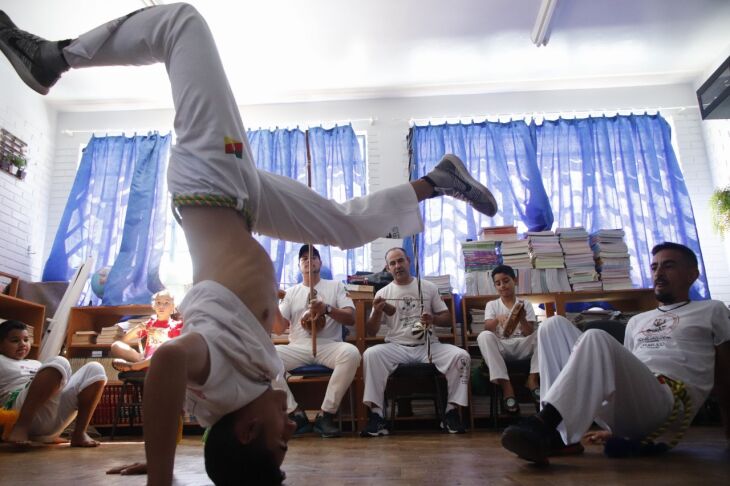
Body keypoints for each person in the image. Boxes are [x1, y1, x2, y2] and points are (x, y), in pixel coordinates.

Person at [0, 4, 498, 484]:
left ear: (247, 430)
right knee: (345, 227)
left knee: (180, 22)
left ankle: (53, 57)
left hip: (209, 183)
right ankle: (437, 181)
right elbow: (252, 327)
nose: (288, 432)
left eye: (278, 444)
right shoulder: (253, 383)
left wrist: (160, 471)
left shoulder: (215, 380)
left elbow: (169, 361)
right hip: (241, 199)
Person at [501, 242, 730, 465]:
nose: (659, 273)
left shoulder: (711, 310)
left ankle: (544, 424)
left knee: (595, 337)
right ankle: (560, 438)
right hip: (633, 401)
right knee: (552, 326)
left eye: (668, 266)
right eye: (654, 267)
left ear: (692, 274)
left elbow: (726, 372)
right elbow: (625, 371)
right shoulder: (638, 321)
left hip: (667, 400)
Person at [362, 247, 470, 436]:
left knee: (462, 356)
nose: (397, 266)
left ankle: (451, 412)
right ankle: (377, 416)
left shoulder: (428, 287)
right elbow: (371, 331)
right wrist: (377, 311)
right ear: (388, 268)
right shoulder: (383, 292)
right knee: (370, 354)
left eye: (400, 261)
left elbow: (446, 318)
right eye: (392, 263)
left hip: (428, 346)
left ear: (408, 262)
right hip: (396, 346)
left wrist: (433, 319)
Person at [272, 244, 360, 438]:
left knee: (351, 353)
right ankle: (294, 415)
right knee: (264, 357)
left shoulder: (336, 286)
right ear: (299, 266)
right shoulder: (291, 293)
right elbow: (278, 329)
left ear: (320, 262)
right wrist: (273, 303)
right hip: (299, 347)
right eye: (303, 258)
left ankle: (326, 416)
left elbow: (351, 318)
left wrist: (327, 309)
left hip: (329, 345)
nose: (308, 260)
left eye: (313, 256)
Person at [0, 319, 107, 447]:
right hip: (16, 410)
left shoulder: (35, 363)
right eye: (15, 340)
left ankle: (79, 433)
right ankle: (21, 427)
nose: (23, 344)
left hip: (48, 417)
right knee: (60, 361)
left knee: (95, 368)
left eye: (26, 340)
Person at [477, 264, 539, 414]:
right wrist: (497, 319)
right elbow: (488, 328)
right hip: (502, 348)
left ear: (514, 281)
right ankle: (506, 387)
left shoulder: (525, 304)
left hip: (523, 345)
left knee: (543, 332)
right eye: (498, 283)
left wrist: (522, 319)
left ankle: (532, 378)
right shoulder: (492, 305)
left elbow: (529, 332)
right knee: (483, 336)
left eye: (506, 281)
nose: (502, 286)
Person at [110, 290, 182, 372]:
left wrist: (162, 337)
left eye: (166, 303)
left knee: (165, 352)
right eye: (158, 303)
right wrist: (137, 329)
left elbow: (178, 348)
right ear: (154, 306)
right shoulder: (149, 324)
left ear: (173, 307)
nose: (161, 306)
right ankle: (142, 363)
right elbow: (124, 340)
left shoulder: (177, 325)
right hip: (145, 359)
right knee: (116, 345)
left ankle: (135, 366)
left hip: (163, 362)